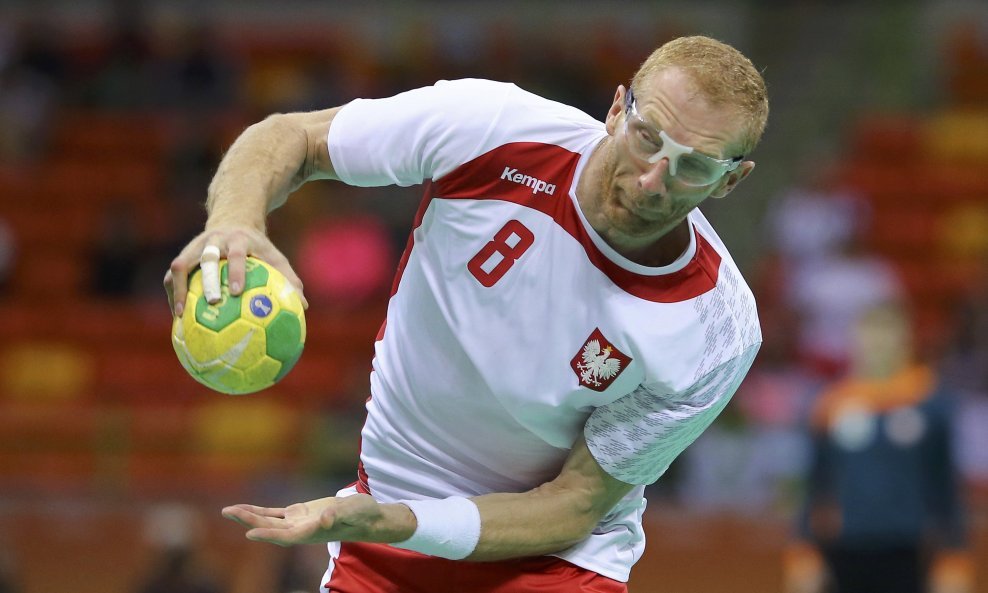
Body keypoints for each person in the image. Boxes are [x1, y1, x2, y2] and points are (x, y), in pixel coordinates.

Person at [163, 35, 769, 593]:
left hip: (554, 562)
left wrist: (402, 521)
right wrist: (234, 222)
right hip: (383, 530)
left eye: (693, 165)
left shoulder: (717, 329)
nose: (653, 180)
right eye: (647, 137)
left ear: (731, 181)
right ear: (617, 110)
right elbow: (292, 136)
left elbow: (575, 504)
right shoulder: (494, 128)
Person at [783, 302, 972, 593]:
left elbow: (945, 485)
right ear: (855, 341)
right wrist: (804, 550)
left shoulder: (930, 402)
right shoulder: (831, 403)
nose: (879, 345)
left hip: (909, 547)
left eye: (888, 335)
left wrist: (954, 556)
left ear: (906, 340)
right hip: (845, 545)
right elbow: (816, 483)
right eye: (872, 336)